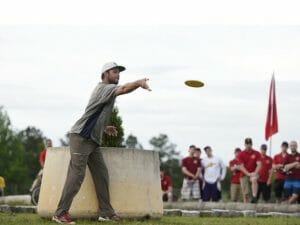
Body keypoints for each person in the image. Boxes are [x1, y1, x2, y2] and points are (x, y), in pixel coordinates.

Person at [52, 62, 151, 224]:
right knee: (77, 175)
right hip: (81, 138)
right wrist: (139, 83)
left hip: (92, 141)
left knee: (102, 174)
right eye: (114, 71)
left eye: (119, 72)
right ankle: (60, 213)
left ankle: (105, 212)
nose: (118, 75)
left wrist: (105, 126)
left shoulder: (105, 91)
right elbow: (125, 89)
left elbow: (94, 113)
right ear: (105, 74)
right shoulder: (104, 88)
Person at [237, 138, 262, 203]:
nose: (248, 145)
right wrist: (248, 173)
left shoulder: (257, 153)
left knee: (254, 179)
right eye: (247, 144)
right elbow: (241, 167)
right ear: (245, 144)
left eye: (250, 144)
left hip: (254, 173)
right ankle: (247, 208)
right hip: (244, 174)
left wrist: (255, 173)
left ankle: (254, 196)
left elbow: (259, 164)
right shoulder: (241, 154)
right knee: (246, 195)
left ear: (252, 144)